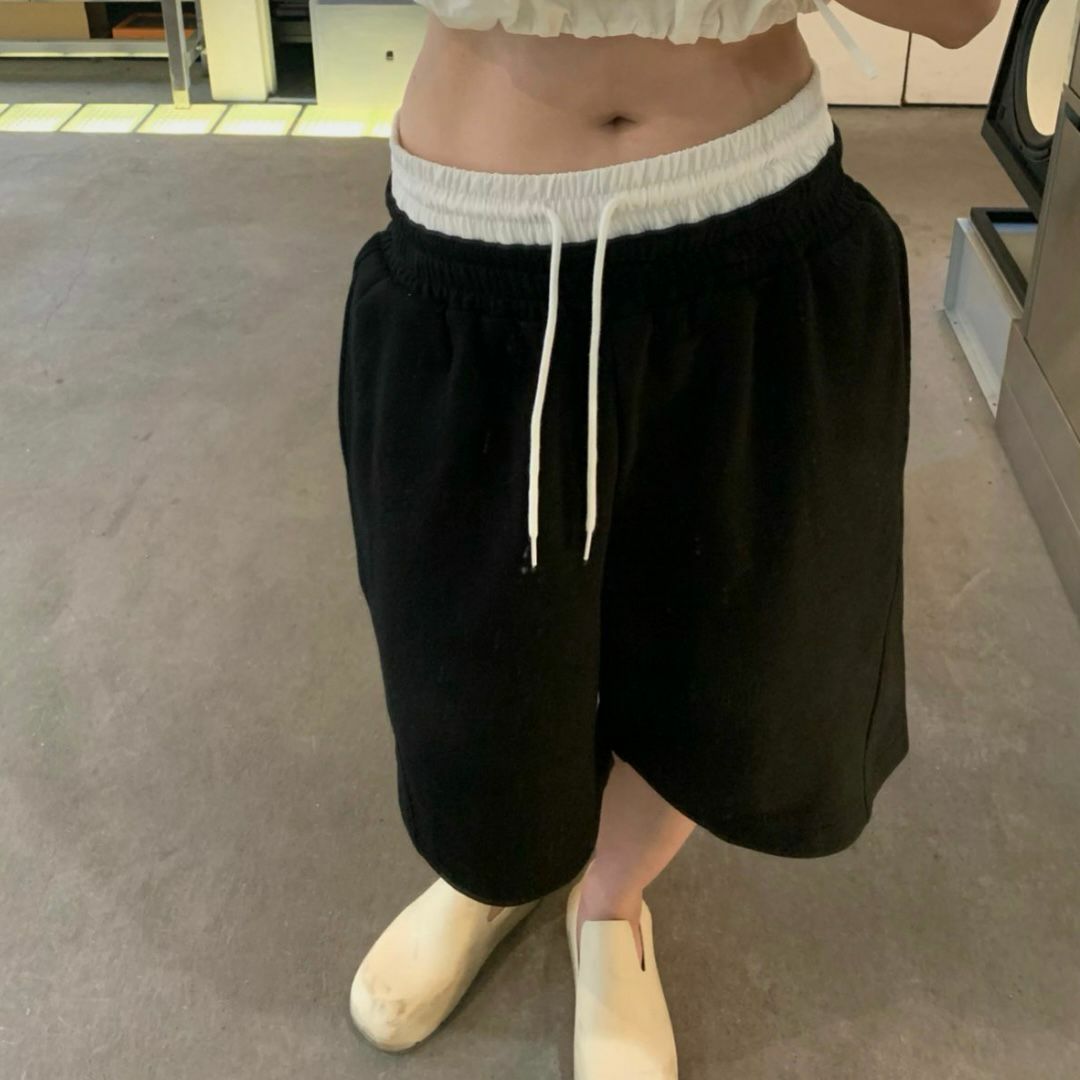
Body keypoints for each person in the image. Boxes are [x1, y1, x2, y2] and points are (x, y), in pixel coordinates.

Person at [336, 2, 1000, 1076]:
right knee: (469, 683)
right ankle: (496, 870)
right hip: (482, 240)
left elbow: (959, 15)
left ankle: (611, 898)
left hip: (752, 215)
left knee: (739, 674)